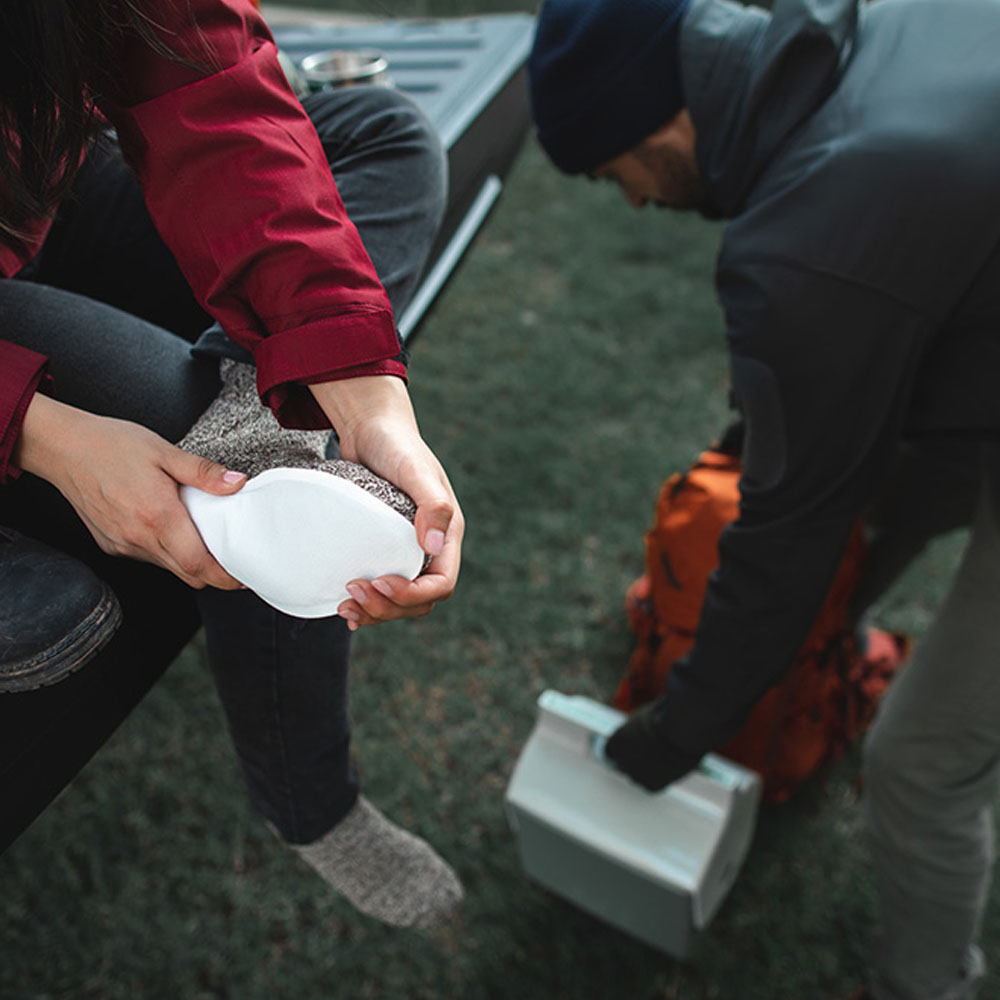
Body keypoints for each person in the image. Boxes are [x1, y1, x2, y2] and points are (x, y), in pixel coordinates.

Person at [527, 0, 1000, 995]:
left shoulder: (804, 243)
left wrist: (670, 736)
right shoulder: (869, 27)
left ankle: (924, 984)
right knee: (883, 496)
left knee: (922, 763)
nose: (630, 202)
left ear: (652, 126)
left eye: (610, 174)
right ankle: (824, 655)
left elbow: (786, 539)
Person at [0, 0, 465, 929]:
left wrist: (365, 389)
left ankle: (259, 414)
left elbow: (209, 86)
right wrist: (41, 433)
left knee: (384, 134)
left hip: (33, 174)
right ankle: (312, 802)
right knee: (207, 439)